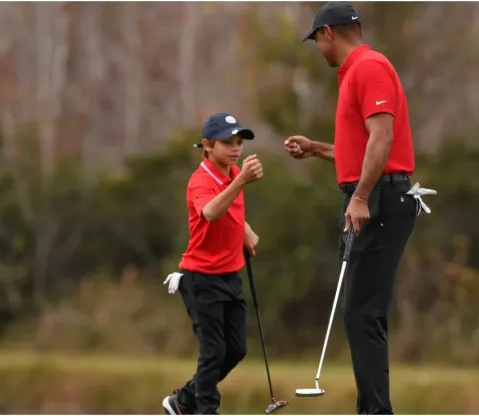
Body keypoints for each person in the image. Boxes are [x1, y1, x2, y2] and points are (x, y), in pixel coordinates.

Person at [285, 2, 435, 414]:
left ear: (329, 33)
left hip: (380, 199)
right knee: (360, 312)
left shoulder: (368, 67)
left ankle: (375, 411)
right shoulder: (353, 74)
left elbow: (383, 140)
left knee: (361, 313)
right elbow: (363, 151)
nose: (318, 48)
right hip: (373, 195)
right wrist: (318, 150)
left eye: (316, 40)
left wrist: (361, 197)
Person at [162, 112, 263, 415]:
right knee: (214, 352)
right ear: (207, 145)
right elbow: (209, 211)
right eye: (227, 143)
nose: (236, 149)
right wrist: (242, 180)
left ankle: (183, 402)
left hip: (230, 276)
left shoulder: (231, 173)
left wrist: (244, 230)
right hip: (201, 277)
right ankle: (205, 410)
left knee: (236, 350)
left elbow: (228, 210)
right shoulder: (201, 180)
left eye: (239, 142)